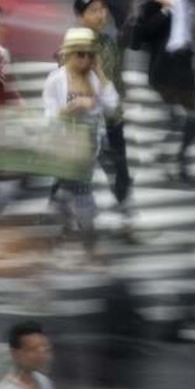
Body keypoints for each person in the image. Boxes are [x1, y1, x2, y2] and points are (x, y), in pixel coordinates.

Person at [134, 0, 195, 185]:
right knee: (185, 119)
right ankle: (177, 165)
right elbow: (139, 35)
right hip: (163, 67)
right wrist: (165, 9)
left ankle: (169, 156)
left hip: (184, 65)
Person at [43, 28, 118, 257]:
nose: (85, 59)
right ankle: (90, 244)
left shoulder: (95, 79)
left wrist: (101, 73)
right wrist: (72, 108)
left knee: (69, 190)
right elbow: (49, 118)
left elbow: (113, 106)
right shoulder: (56, 80)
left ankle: (57, 215)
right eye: (80, 54)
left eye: (89, 54)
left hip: (88, 149)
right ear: (68, 54)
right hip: (65, 148)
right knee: (85, 195)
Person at [73, 0, 135, 237]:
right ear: (80, 16)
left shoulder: (109, 42)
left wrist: (120, 105)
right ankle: (79, 220)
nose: (101, 15)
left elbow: (117, 79)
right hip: (84, 121)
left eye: (103, 9)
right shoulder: (73, 46)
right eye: (93, 10)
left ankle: (126, 220)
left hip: (111, 119)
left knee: (120, 170)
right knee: (79, 173)